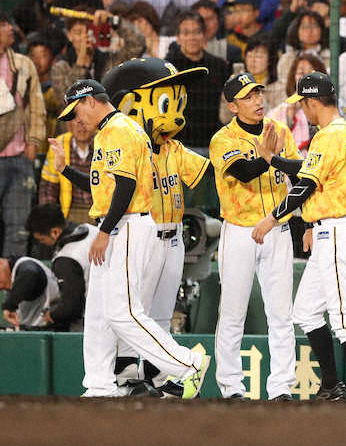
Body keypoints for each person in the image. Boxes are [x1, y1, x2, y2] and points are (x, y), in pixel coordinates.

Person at [52, 79, 210, 398]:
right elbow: (104, 187)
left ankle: (187, 363)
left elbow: (125, 188)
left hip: (127, 225)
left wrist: (105, 231)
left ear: (91, 101)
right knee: (98, 313)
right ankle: (99, 385)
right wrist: (66, 170)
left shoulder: (120, 130)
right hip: (118, 223)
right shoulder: (113, 130)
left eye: (77, 110)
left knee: (122, 312)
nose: (76, 119)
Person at [252, 72, 346, 401]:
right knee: (305, 311)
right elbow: (308, 170)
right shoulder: (340, 131)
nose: (303, 110)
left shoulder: (330, 135)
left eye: (304, 104)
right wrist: (272, 159)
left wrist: (272, 218)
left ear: (314, 102)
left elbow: (305, 185)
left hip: (337, 232)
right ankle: (332, 385)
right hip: (328, 232)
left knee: (345, 318)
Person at [100, 57, 212, 386]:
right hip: (139, 235)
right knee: (134, 309)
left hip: (173, 238)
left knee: (161, 312)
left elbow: (211, 174)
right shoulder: (125, 144)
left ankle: (156, 373)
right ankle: (124, 370)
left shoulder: (172, 147)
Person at [210, 73, 300, 401]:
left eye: (258, 93)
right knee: (233, 312)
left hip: (277, 228)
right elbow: (244, 173)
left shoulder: (281, 132)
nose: (257, 100)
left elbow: (297, 174)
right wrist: (267, 156)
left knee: (281, 312)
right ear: (233, 106)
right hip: (240, 231)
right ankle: (231, 387)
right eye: (247, 97)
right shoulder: (223, 139)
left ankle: (281, 388)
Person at [0, 12, 44, 257]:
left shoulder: (24, 64)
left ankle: (13, 281)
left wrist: (33, 142)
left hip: (19, 157)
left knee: (18, 228)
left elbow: (36, 106)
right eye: (4, 24)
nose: (10, 28)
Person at [21, 203, 98, 331]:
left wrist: (51, 315)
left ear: (55, 232)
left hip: (95, 320)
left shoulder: (66, 258)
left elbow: (72, 308)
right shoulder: (92, 229)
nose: (42, 243)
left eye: (41, 239)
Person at [165, 12, 230, 148]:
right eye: (186, 33)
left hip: (214, 142)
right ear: (177, 38)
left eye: (197, 32)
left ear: (204, 36)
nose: (192, 38)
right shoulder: (168, 68)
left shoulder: (219, 66)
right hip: (179, 144)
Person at [40, 117, 96, 225]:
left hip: (100, 212)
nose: (81, 126)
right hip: (70, 212)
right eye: (77, 121)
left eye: (85, 120)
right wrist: (50, 219)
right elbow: (48, 188)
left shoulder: (104, 141)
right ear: (69, 124)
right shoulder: (59, 144)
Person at [276, 11, 330, 91]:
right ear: (297, 30)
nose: (309, 31)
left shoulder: (331, 57)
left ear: (321, 30)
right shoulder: (287, 59)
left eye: (314, 26)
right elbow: (283, 87)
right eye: (304, 26)